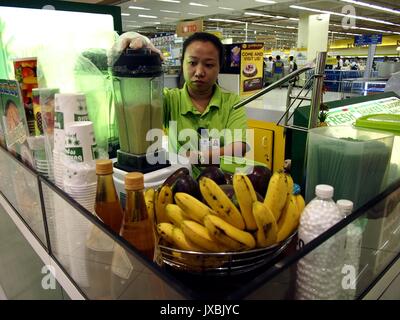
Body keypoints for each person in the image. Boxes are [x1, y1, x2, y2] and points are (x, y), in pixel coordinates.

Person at [112, 32, 248, 177]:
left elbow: (239, 146)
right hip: (180, 184)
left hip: (222, 182)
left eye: (208, 65)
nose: (199, 72)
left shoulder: (232, 102)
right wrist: (132, 51)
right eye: (192, 63)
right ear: (182, 63)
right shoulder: (170, 100)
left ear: (220, 67)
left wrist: (197, 156)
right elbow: (137, 103)